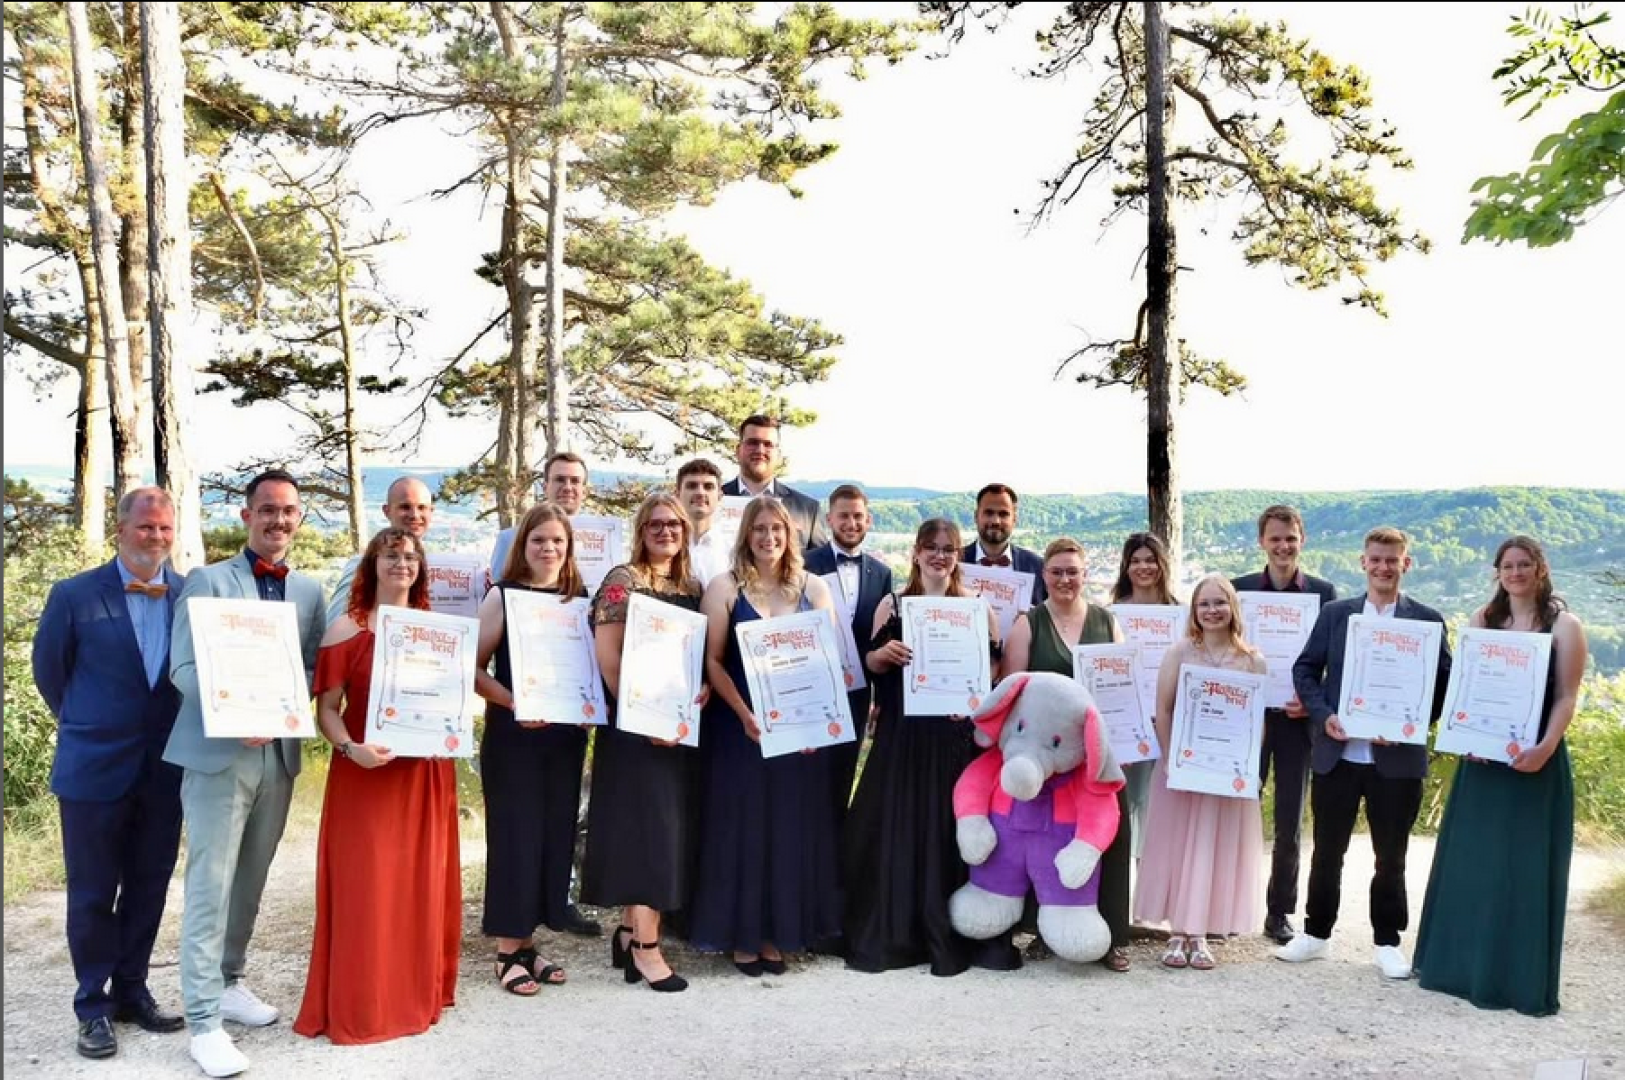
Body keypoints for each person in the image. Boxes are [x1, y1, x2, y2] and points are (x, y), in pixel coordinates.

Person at [165, 469, 325, 1078]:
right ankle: (203, 1022)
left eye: (288, 511)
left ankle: (229, 981)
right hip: (219, 753)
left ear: (298, 518)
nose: (278, 520)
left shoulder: (307, 590)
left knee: (251, 879)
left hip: (277, 755)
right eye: (267, 509)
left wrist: (282, 705)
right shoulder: (208, 580)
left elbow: (310, 668)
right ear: (246, 516)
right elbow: (183, 668)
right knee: (211, 885)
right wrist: (237, 713)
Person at [32, 488, 188, 1061]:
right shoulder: (74, 595)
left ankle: (132, 991)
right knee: (93, 891)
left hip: (164, 769)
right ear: (121, 530)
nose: (156, 537)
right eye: (146, 527)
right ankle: (91, 1006)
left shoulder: (188, 596)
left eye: (165, 528)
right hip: (94, 768)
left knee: (149, 884)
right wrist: (94, 725)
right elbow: (51, 675)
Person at [294, 528, 460, 1043]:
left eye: (410, 556)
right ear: (372, 564)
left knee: (417, 886)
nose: (401, 564)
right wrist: (351, 748)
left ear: (421, 568)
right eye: (390, 556)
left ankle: (414, 993)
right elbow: (327, 711)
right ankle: (364, 1003)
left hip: (424, 774)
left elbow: (451, 704)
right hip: (364, 774)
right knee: (366, 889)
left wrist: (447, 735)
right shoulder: (345, 629)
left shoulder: (437, 630)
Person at [1413, 536, 1589, 1016]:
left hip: (1534, 760)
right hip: (1483, 762)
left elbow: (1566, 697)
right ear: (1498, 572)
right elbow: (1469, 688)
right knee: (1474, 862)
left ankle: (1516, 980)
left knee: (1523, 868)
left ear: (1540, 568)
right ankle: (1458, 970)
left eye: (1523, 564)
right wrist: (1466, 737)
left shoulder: (1565, 626)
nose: (1515, 573)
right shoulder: (1482, 620)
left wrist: (1545, 748)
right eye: (1507, 566)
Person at [1281, 526, 1452, 979]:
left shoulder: (1427, 620)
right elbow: (1305, 670)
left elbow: (1444, 684)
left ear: (1405, 564)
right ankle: (1316, 934)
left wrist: (1411, 724)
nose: (1383, 567)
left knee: (1390, 856)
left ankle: (1387, 942)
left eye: (1391, 560)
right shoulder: (1337, 615)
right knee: (1326, 851)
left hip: (1397, 761)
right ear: (1363, 563)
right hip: (1338, 754)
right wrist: (1323, 715)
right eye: (1375, 559)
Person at [689, 497, 842, 974]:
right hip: (740, 731)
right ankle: (742, 936)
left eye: (777, 528)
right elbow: (712, 661)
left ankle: (777, 932)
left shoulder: (814, 588)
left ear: (790, 535)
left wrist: (817, 723)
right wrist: (743, 715)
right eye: (759, 529)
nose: (768, 537)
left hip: (797, 734)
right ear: (746, 535)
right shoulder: (724, 587)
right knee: (743, 830)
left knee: (788, 830)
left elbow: (826, 664)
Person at [843, 518, 999, 976]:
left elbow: (992, 675)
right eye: (931, 547)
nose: (939, 556)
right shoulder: (892, 604)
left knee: (948, 827)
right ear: (916, 552)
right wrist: (881, 655)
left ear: (957, 555)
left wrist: (970, 703)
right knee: (899, 827)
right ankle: (900, 928)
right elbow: (870, 665)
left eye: (948, 548)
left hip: (953, 740)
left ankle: (953, 924)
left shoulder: (978, 608)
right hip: (903, 739)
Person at [580, 494, 707, 993]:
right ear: (641, 530)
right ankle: (647, 950)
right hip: (635, 731)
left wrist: (701, 689)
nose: (665, 531)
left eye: (674, 523)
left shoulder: (691, 586)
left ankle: (629, 932)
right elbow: (609, 660)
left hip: (679, 729)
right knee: (648, 836)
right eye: (654, 523)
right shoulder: (623, 580)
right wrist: (644, 717)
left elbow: (697, 657)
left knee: (664, 831)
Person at [475, 503, 592, 995]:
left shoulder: (579, 601)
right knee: (515, 840)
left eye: (557, 541)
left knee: (550, 840)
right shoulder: (502, 596)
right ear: (523, 545)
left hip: (564, 739)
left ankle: (528, 945)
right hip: (515, 738)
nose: (548, 548)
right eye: (539, 540)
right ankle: (507, 952)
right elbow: (473, 669)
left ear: (569, 548)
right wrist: (513, 702)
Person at [1003, 538, 1133, 973]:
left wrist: (1129, 741)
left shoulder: (1107, 622)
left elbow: (1122, 692)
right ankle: (1044, 932)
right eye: (1056, 571)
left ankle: (1114, 937)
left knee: (1109, 838)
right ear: (1043, 575)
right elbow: (1014, 693)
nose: (1064, 579)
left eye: (1072, 571)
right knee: (1047, 843)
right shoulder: (1028, 625)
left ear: (1085, 574)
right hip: (1050, 763)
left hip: (1096, 754)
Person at [1134, 575, 1269, 971]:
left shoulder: (1253, 660)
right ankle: (1178, 932)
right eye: (1204, 604)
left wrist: (1246, 765)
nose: (1212, 611)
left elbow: (1256, 721)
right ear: (1194, 610)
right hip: (1182, 769)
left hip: (1226, 774)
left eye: (1219, 603)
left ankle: (1201, 934)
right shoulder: (1179, 653)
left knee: (1214, 848)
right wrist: (1171, 759)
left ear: (1233, 608)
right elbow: (1163, 710)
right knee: (1179, 847)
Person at [1229, 507, 1337, 945]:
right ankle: (1229, 908)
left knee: (1289, 822)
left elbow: (1334, 661)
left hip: (1296, 722)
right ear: (1262, 542)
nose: (1283, 546)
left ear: (1302, 540)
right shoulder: (1239, 590)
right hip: (1248, 718)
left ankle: (1278, 913)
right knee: (1238, 814)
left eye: (1290, 538)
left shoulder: (1324, 594)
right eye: (1275, 538)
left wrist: (1312, 700)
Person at [804, 483, 894, 838]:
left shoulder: (881, 573)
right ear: (829, 519)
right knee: (806, 773)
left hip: (857, 691)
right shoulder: (805, 563)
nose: (851, 523)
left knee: (843, 774)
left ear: (869, 520)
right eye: (843, 516)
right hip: (810, 687)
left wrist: (879, 698)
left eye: (858, 516)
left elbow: (882, 639)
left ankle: (835, 850)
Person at [1108, 531, 1182, 866]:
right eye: (1135, 561)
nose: (1143, 567)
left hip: (1168, 722)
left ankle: (1151, 886)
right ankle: (1120, 885)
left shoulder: (1181, 615)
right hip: (1125, 725)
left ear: (1162, 564)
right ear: (1125, 567)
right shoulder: (1110, 615)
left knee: (1157, 811)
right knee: (1123, 807)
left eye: (1150, 560)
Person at [324, 476, 435, 625]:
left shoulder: (440, 563)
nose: (414, 515)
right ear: (387, 511)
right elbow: (335, 621)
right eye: (405, 507)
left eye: (422, 507)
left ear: (431, 512)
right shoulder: (364, 563)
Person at [720, 414, 826, 550]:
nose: (760, 450)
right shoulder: (715, 502)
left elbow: (822, 560)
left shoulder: (808, 510)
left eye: (768, 444)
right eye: (753, 443)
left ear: (778, 455)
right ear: (738, 451)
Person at [488, 452, 591, 584]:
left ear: (584, 491)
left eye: (575, 481)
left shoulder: (605, 543)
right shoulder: (509, 539)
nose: (567, 487)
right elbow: (499, 589)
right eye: (559, 479)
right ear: (545, 487)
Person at [961, 483, 1047, 604]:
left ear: (1014, 519)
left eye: (1003, 514)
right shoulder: (954, 563)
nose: (995, 521)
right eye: (989, 513)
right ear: (976, 516)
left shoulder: (1038, 567)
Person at [677, 457, 728, 586]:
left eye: (708, 487)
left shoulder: (733, 548)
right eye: (692, 486)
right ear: (677, 494)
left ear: (720, 496)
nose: (700, 492)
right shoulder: (663, 544)